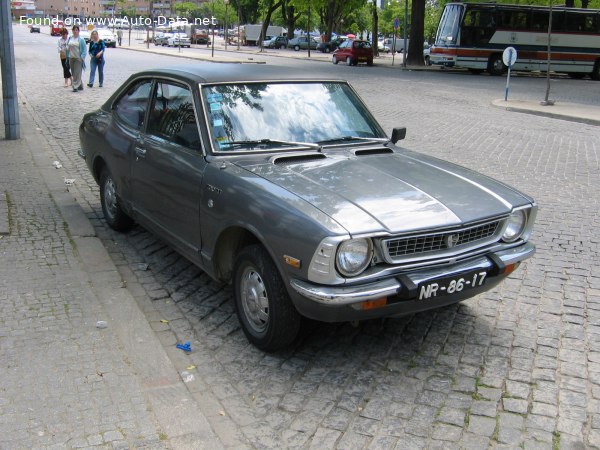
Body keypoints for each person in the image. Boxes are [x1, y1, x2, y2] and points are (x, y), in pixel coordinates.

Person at [66, 25, 87, 92]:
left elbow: (84, 49)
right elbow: (67, 46)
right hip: (71, 57)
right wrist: (67, 51)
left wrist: (82, 57)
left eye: (76, 30)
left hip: (78, 58)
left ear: (78, 31)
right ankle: (80, 85)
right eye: (74, 30)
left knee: (77, 72)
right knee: (74, 72)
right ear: (72, 31)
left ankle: (75, 86)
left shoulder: (81, 40)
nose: (75, 31)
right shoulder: (70, 38)